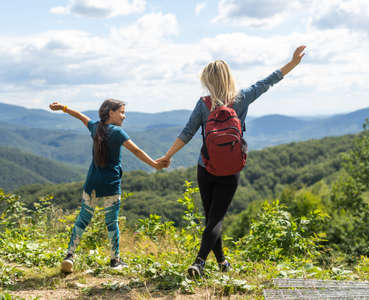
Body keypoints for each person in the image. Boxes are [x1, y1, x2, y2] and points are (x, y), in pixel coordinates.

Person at [157, 45, 306, 277]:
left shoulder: (203, 104)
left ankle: (203, 263)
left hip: (205, 166)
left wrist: (167, 156)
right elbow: (267, 82)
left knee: (212, 218)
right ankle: (216, 263)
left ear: (208, 80)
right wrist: (292, 64)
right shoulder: (242, 98)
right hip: (231, 168)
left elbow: (187, 132)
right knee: (215, 219)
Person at [49, 99, 166, 273]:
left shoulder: (96, 127)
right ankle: (114, 260)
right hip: (110, 184)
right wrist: (155, 164)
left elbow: (81, 117)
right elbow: (136, 151)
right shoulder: (118, 132)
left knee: (82, 219)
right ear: (111, 112)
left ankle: (69, 256)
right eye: (122, 112)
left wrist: (63, 108)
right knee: (112, 222)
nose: (124, 116)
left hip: (92, 183)